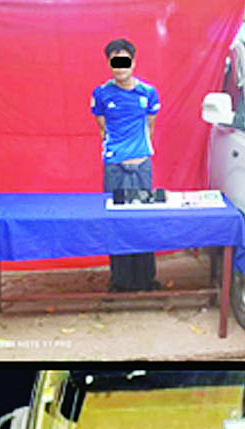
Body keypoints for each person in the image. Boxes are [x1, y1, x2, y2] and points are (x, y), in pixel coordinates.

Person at [92, 38, 160, 291]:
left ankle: (146, 279)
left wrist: (137, 153)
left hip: (141, 166)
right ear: (109, 64)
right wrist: (118, 153)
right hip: (114, 167)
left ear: (133, 62)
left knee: (143, 219)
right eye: (115, 62)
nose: (120, 67)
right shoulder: (101, 93)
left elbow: (150, 126)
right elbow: (102, 127)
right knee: (117, 220)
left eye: (124, 61)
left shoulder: (148, 92)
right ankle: (120, 281)